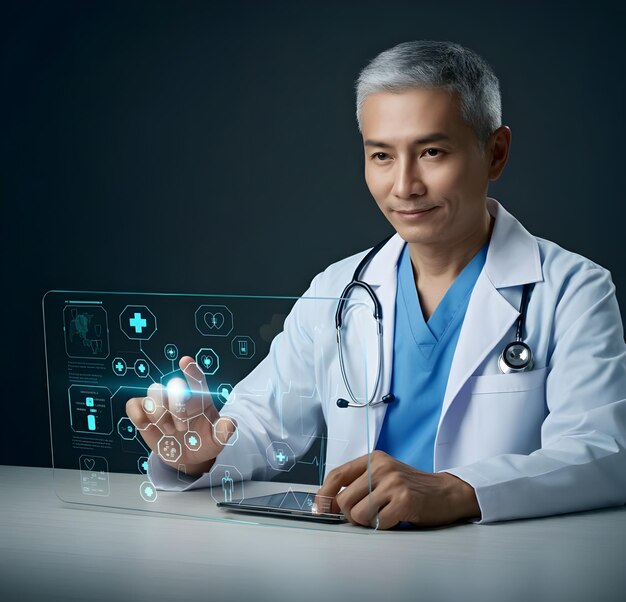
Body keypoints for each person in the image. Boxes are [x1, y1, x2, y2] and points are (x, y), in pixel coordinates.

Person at [126, 40, 626, 529]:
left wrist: (458, 489)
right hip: (355, 569)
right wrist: (205, 448)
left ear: (495, 153)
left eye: (431, 151)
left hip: (496, 574)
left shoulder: (572, 291)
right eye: (381, 156)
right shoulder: (338, 289)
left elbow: (602, 451)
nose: (404, 185)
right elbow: (261, 425)